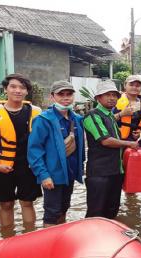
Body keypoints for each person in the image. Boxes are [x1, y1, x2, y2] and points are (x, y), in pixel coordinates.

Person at [0, 74, 42, 234]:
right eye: (13, 87)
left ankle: (30, 235)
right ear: (6, 89)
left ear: (27, 92)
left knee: (27, 202)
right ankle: (7, 237)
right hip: (2, 166)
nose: (18, 90)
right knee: (6, 204)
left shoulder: (36, 112)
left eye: (22, 87)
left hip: (28, 166)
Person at [28, 80, 85, 227]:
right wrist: (43, 175)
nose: (66, 98)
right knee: (51, 212)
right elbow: (34, 150)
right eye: (61, 95)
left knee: (65, 207)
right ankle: (49, 243)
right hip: (53, 175)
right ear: (52, 97)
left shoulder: (77, 119)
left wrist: (81, 167)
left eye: (69, 94)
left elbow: (80, 147)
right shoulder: (43, 120)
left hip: (70, 173)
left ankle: (61, 236)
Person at [83, 80, 138, 218]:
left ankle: (108, 238)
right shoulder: (92, 115)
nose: (112, 98)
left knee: (112, 209)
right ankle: (92, 239)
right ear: (98, 98)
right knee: (96, 212)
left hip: (115, 171)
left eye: (114, 95)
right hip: (100, 173)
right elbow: (106, 141)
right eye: (107, 94)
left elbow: (111, 121)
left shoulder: (109, 116)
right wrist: (129, 144)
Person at [113, 75, 141, 141]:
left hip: (139, 140)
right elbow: (105, 121)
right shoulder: (115, 101)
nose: (134, 87)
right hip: (118, 140)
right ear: (125, 85)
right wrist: (121, 114)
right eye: (131, 84)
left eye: (137, 85)